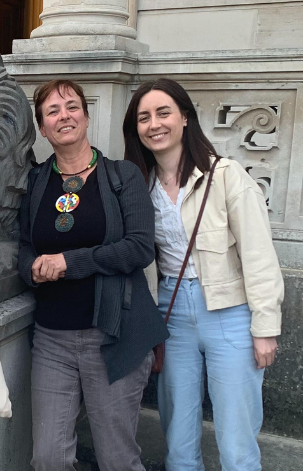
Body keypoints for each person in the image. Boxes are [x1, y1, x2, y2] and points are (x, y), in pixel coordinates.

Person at [123, 78, 284, 471]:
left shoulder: (225, 175)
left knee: (236, 433)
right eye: (144, 117)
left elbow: (259, 255)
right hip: (171, 311)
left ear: (185, 118)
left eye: (163, 113)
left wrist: (265, 327)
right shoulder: (138, 186)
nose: (154, 124)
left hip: (229, 312)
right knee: (177, 430)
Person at [18, 79, 168, 471]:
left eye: (71, 107)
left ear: (86, 116)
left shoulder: (124, 176)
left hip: (113, 335)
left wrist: (70, 262)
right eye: (52, 111)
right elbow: (22, 245)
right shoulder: (35, 182)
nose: (63, 115)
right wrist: (31, 267)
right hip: (52, 339)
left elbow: (139, 247)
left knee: (117, 458)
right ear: (42, 127)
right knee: (49, 458)